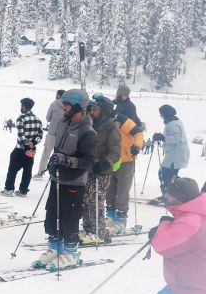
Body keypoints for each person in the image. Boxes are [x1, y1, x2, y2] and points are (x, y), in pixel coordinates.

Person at [33, 89, 97, 270]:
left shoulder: (87, 131)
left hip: (74, 181)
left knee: (69, 217)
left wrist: (67, 161)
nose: (64, 108)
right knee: (52, 213)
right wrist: (55, 160)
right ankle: (55, 248)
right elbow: (58, 149)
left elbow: (89, 161)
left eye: (67, 106)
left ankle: (71, 252)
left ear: (78, 108)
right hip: (58, 177)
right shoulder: (63, 123)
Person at [147, 177, 206, 294]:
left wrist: (163, 226)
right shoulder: (195, 210)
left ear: (180, 198)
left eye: (169, 195)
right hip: (188, 283)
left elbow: (163, 245)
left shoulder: (192, 222)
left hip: (197, 289)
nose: (166, 197)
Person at [81, 94, 121, 243]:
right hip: (88, 169)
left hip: (101, 171)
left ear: (103, 111)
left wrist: (106, 162)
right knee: (86, 199)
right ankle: (88, 229)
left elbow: (116, 152)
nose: (91, 112)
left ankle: (99, 230)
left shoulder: (111, 128)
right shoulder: (89, 125)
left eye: (95, 109)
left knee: (96, 200)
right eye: (90, 109)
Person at [105, 101, 144, 233]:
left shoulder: (121, 119)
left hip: (126, 160)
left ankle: (120, 222)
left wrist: (137, 146)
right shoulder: (102, 120)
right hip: (111, 160)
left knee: (122, 192)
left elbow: (138, 134)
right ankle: (110, 218)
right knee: (109, 192)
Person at [0, 98, 43, 197]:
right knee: (27, 170)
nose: (21, 107)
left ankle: (9, 189)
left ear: (24, 106)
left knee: (12, 169)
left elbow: (21, 135)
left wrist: (26, 144)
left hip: (20, 149)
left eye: (21, 105)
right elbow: (40, 136)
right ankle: (23, 191)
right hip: (31, 150)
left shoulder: (21, 118)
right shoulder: (37, 119)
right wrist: (32, 143)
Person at [153, 105, 189, 201]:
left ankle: (168, 196)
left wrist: (162, 137)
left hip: (175, 155)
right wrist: (161, 136)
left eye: (161, 114)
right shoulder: (174, 122)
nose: (161, 116)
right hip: (175, 154)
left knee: (164, 173)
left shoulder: (173, 124)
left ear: (166, 114)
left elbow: (176, 139)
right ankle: (177, 194)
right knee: (170, 175)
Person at [34, 90, 65, 179]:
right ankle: (57, 174)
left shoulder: (54, 104)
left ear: (58, 95)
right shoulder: (67, 105)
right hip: (62, 134)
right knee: (59, 155)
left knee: (46, 154)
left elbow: (48, 118)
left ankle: (40, 173)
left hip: (52, 132)